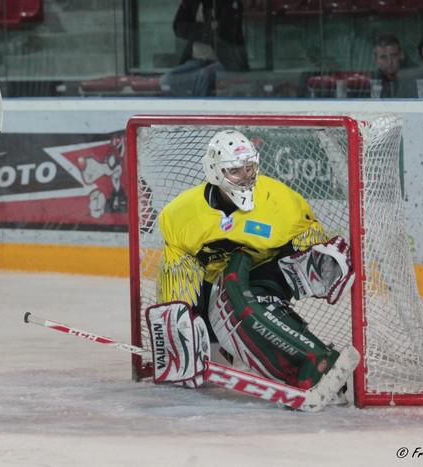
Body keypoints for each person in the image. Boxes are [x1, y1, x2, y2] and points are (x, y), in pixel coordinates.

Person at [150, 129, 357, 407]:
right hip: (211, 285)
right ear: (214, 171)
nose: (246, 177)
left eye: (250, 168)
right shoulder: (179, 215)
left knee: (244, 298)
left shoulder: (281, 201)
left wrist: (320, 258)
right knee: (227, 307)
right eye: (235, 171)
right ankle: (232, 346)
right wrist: (179, 322)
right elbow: (178, 273)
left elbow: (307, 244)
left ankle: (309, 362)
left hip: (265, 277)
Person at [160, 0, 249, 97]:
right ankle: (191, 106)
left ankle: (202, 108)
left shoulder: (229, 2)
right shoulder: (191, 2)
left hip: (225, 61)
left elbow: (226, 32)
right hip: (196, 60)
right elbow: (178, 27)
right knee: (167, 80)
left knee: (203, 75)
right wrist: (208, 29)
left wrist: (195, 31)